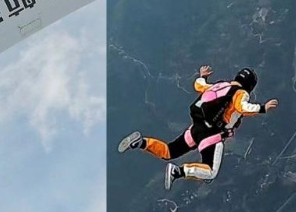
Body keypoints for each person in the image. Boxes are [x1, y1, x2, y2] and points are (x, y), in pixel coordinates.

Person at [118, 65, 277, 189]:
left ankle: (141, 142)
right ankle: (178, 171)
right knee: (210, 172)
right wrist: (263, 108)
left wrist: (202, 76)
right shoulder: (241, 93)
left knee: (169, 151)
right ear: (250, 86)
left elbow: (199, 85)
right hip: (212, 135)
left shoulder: (221, 85)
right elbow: (242, 107)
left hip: (197, 127)